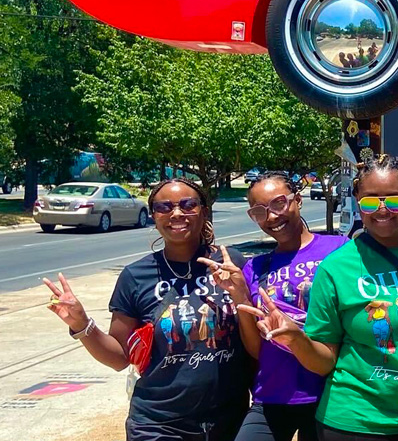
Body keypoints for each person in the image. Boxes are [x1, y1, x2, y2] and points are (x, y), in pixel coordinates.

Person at [238, 154, 398, 441]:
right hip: (354, 423)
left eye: (393, 200)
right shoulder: (336, 267)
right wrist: (297, 339)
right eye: (370, 201)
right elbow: (325, 361)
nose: (382, 210)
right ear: (357, 199)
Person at [43, 178, 252, 441]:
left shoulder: (232, 263)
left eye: (188, 205)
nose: (176, 213)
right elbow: (119, 358)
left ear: (204, 211)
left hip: (230, 420)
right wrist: (81, 324)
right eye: (164, 207)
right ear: (153, 215)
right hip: (159, 424)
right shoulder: (135, 276)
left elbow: (254, 338)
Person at [211, 172, 345, 441]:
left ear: (298, 200)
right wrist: (240, 296)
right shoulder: (256, 267)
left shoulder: (339, 249)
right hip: (272, 394)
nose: (271, 217)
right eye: (259, 211)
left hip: (329, 394)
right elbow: (256, 348)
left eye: (279, 204)